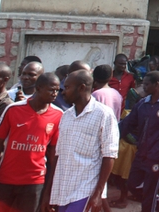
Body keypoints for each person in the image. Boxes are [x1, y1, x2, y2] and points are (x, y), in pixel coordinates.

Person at [0, 72, 62, 212]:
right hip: (4, 180)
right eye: (51, 89)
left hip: (34, 183)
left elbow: (53, 157)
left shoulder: (58, 115)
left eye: (57, 90)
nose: (55, 94)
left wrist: (48, 192)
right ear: (38, 88)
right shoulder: (13, 109)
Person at [46, 70, 119, 212]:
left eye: (67, 88)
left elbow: (109, 156)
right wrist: (49, 192)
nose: (62, 92)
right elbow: (58, 156)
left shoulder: (103, 114)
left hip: (86, 190)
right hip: (63, 190)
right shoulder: (66, 116)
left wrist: (98, 194)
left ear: (81, 88)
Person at [119, 71, 159, 212]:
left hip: (157, 156)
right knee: (133, 185)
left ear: (157, 84)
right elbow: (127, 124)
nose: (144, 87)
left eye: (147, 84)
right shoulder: (142, 104)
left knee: (150, 191)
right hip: (141, 153)